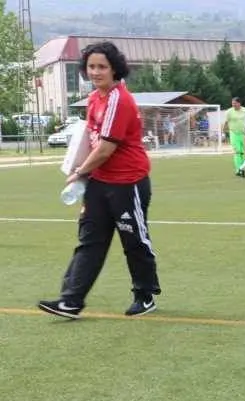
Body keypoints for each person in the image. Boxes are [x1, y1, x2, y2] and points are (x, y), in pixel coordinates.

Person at [38, 41, 160, 320]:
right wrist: (81, 169)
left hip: (128, 183)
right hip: (99, 181)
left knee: (134, 241)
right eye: (91, 66)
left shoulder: (120, 99)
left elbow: (106, 148)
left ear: (115, 68)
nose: (95, 72)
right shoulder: (95, 98)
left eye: (101, 66)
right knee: (89, 240)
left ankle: (145, 294)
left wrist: (79, 171)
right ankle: (71, 301)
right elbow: (91, 140)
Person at [223, 97, 245, 177]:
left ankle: (241, 168)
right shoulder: (229, 112)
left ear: (239, 103)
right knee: (237, 152)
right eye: (232, 103)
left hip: (243, 134)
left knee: (241, 152)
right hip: (234, 133)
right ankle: (239, 170)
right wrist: (223, 132)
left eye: (235, 103)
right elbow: (226, 122)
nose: (233, 105)